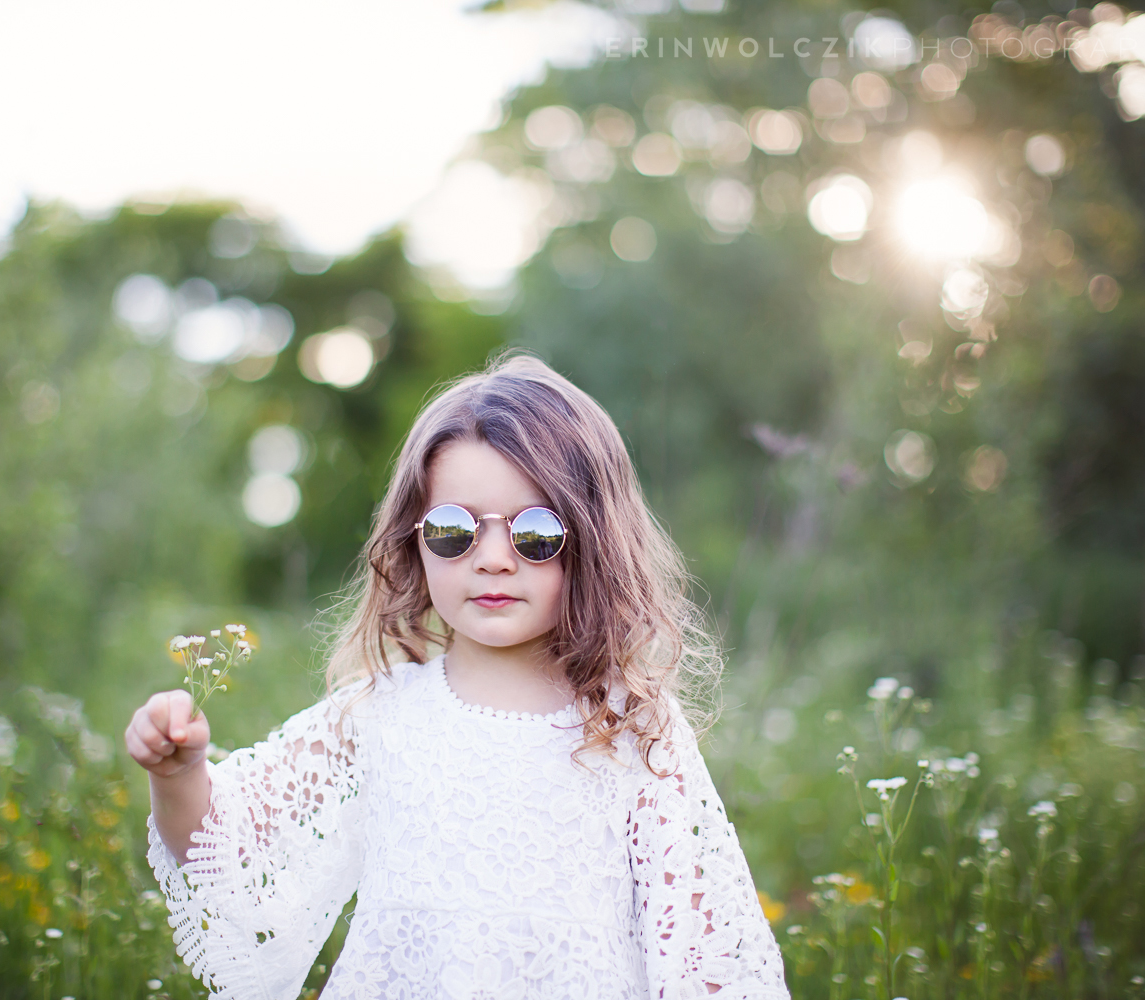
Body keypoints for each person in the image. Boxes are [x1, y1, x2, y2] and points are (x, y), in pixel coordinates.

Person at [125, 353, 790, 999]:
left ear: (592, 539)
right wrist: (180, 775)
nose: (494, 559)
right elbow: (229, 853)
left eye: (535, 532)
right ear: (414, 539)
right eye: (453, 530)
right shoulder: (379, 714)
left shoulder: (632, 729)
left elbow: (707, 954)